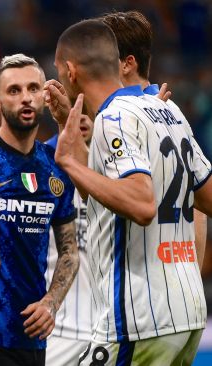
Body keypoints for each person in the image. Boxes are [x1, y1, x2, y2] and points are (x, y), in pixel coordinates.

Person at [52, 19, 211, 365]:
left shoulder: (114, 117)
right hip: (187, 311)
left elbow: (141, 205)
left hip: (139, 316)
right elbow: (207, 197)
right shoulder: (168, 111)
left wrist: (69, 162)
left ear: (70, 70)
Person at [0, 54, 79, 366]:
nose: (26, 98)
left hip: (32, 334)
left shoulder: (55, 166)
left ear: (44, 95)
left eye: (33, 88)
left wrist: (51, 303)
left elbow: (69, 250)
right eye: (14, 91)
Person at [99, 10, 209, 269]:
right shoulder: (173, 111)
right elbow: (201, 201)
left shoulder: (115, 117)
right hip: (181, 283)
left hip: (141, 288)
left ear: (127, 63)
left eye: (100, 60)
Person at [43, 106, 95, 365]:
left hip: (113, 329)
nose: (82, 116)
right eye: (75, 106)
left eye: (90, 109)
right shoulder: (40, 166)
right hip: (55, 328)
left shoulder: (127, 172)